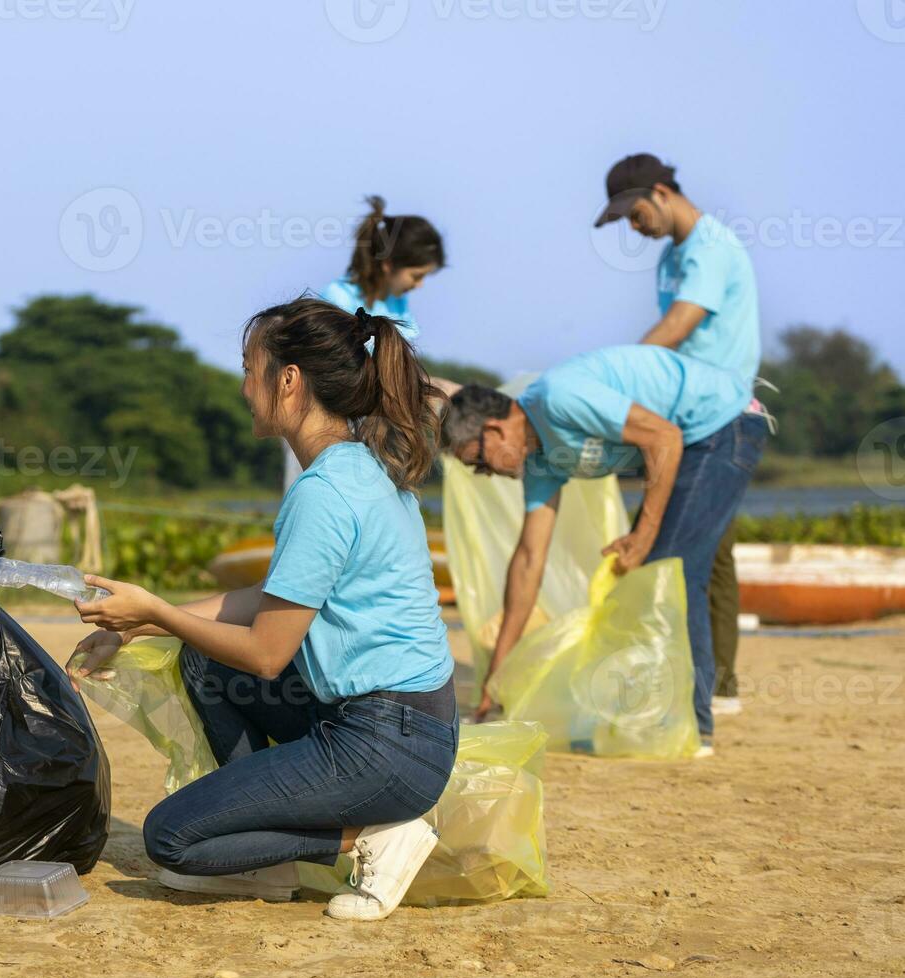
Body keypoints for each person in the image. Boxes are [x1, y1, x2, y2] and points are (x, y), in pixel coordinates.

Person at [72, 298, 457, 921]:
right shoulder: (358, 465)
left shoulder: (325, 492)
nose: (244, 386)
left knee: (172, 837)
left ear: (289, 380)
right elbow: (271, 601)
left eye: (249, 368)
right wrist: (142, 619)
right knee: (203, 663)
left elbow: (268, 653)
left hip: (387, 742)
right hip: (409, 728)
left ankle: (372, 839)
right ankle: (267, 858)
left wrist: (160, 614)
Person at [442, 345, 769, 752]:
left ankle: (693, 727)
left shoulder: (558, 399)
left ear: (494, 430)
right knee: (656, 570)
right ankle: (669, 713)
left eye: (478, 462)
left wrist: (644, 536)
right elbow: (529, 560)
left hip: (724, 423)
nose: (484, 474)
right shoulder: (542, 459)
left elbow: (664, 437)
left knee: (672, 569)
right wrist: (497, 673)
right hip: (690, 441)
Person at [596, 153, 762, 718]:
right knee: (708, 551)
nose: (633, 228)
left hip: (722, 419)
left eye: (635, 213)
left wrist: (616, 375)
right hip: (682, 419)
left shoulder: (710, 248)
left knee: (685, 557)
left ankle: (703, 698)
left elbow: (677, 328)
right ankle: (712, 682)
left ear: (662, 192)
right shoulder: (672, 257)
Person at [285, 195, 451, 489]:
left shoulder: (398, 304)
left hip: (376, 430)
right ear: (388, 265)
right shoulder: (337, 299)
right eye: (417, 275)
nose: (420, 284)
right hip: (329, 428)